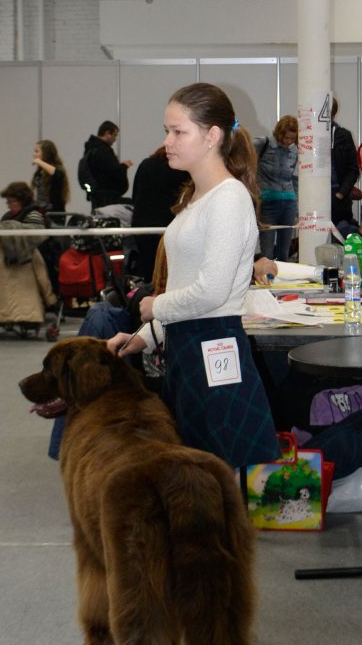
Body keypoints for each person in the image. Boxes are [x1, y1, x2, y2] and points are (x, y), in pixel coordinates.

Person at [107, 82, 279, 469]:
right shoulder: (196, 198)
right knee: (199, 475)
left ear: (212, 136)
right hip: (188, 348)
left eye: (178, 131)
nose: (168, 141)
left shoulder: (229, 199)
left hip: (213, 347)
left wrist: (154, 306)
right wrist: (145, 337)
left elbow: (212, 292)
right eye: (167, 130)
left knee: (219, 474)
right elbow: (189, 288)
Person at [131, 146, 188, 282]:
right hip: (166, 225)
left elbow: (135, 195)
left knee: (148, 269)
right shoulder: (181, 169)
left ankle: (148, 293)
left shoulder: (145, 164)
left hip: (141, 225)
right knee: (167, 271)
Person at [254, 115, 298, 261]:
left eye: (293, 139)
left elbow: (295, 179)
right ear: (279, 133)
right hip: (268, 203)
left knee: (284, 253)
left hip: (289, 204)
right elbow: (243, 156)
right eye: (286, 138)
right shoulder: (263, 143)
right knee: (267, 253)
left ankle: (282, 283)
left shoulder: (295, 151)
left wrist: (297, 212)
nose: (289, 142)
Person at [80, 120, 133, 210]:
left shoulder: (91, 149)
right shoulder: (103, 151)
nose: (115, 139)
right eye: (114, 135)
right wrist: (124, 166)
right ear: (107, 133)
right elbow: (112, 173)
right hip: (108, 199)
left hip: (96, 197)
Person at [330, 97, 360, 238]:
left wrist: (341, 193)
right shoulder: (307, 135)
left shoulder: (343, 135)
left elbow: (354, 169)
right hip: (314, 197)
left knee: (341, 241)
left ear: (333, 113)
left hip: (338, 199)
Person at [31, 139, 70, 214]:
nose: (34, 154)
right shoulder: (39, 172)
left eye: (37, 151)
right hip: (40, 211)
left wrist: (39, 162)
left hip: (54, 212)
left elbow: (57, 174)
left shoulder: (57, 169)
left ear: (46, 153)